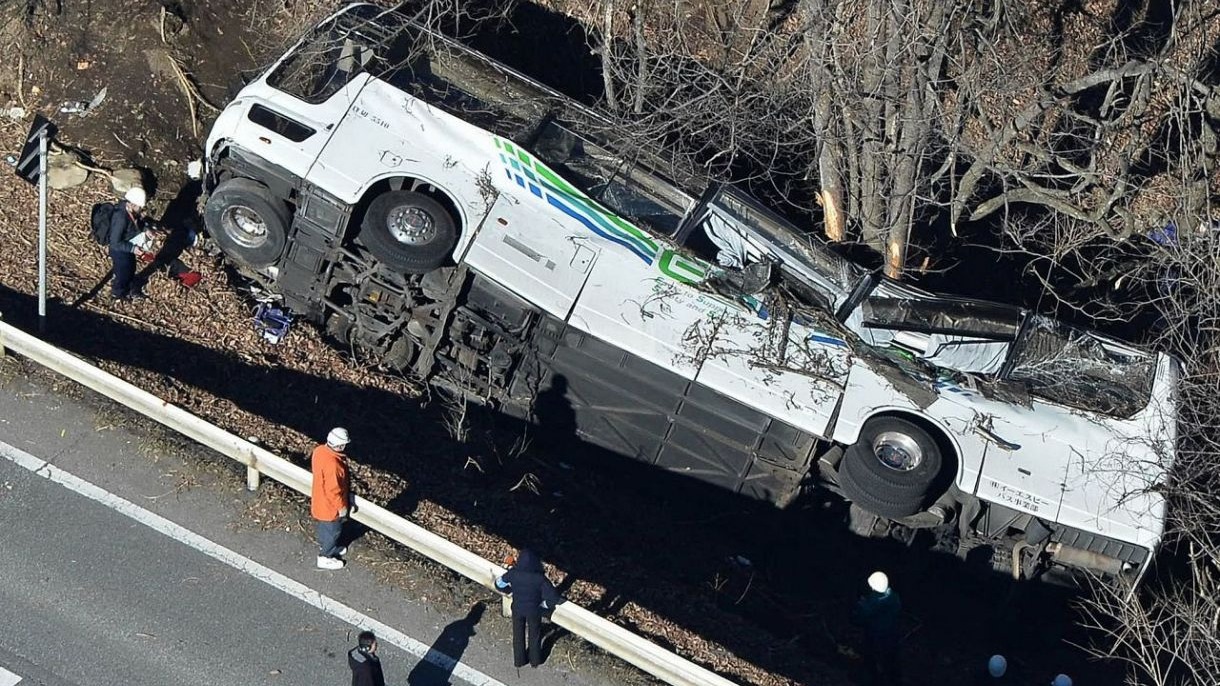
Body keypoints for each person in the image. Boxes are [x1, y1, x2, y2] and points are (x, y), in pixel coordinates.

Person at [494, 548, 562, 668]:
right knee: (534, 635)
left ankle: (519, 660)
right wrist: (544, 605)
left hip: (517, 608)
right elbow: (553, 598)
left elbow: (498, 584)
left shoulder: (513, 574)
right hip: (534, 610)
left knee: (518, 634)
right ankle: (535, 661)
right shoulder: (540, 579)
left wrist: (509, 591)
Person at [311, 427, 355, 570]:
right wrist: (341, 507)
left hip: (319, 500)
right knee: (333, 531)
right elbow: (333, 490)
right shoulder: (334, 464)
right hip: (330, 507)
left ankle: (329, 547)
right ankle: (326, 556)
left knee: (325, 529)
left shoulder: (319, 451)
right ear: (340, 445)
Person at [852, 570, 902, 686]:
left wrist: (860, 606)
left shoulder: (870, 604)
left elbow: (858, 620)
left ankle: (874, 681)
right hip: (892, 635)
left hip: (875, 636)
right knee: (891, 661)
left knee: (871, 660)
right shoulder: (894, 597)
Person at [108, 187, 148, 302]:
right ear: (133, 205)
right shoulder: (121, 218)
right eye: (140, 207)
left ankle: (130, 288)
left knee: (131, 269)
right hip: (119, 251)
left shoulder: (130, 212)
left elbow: (135, 225)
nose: (141, 210)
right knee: (122, 273)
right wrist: (133, 248)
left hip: (128, 247)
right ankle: (117, 293)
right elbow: (115, 242)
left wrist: (145, 230)